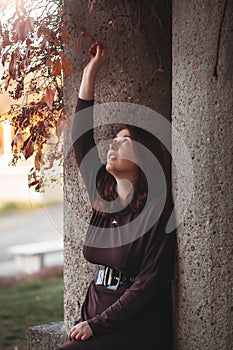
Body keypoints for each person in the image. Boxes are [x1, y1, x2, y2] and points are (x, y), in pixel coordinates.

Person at [56, 43, 176, 350]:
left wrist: (97, 325)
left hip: (135, 328)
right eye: (114, 140)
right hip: (93, 318)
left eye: (124, 142)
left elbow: (148, 286)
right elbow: (82, 138)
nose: (112, 145)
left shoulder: (157, 213)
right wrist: (89, 73)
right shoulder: (103, 196)